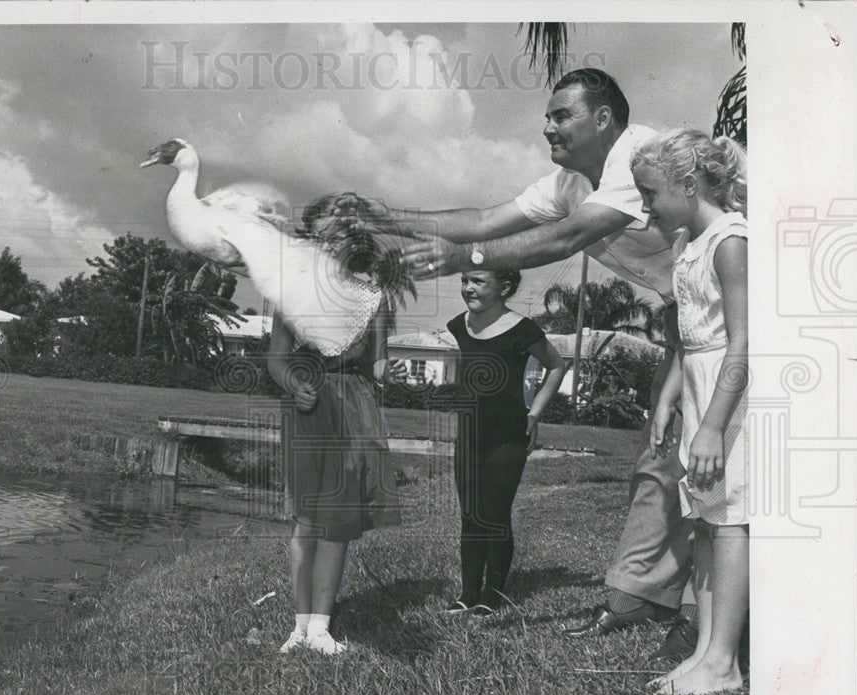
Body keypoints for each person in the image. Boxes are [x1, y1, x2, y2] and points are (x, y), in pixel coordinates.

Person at [337, 68, 698, 661]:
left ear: (603, 119)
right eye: (548, 115)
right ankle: (642, 594)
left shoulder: (641, 159)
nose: (547, 125)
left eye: (562, 115)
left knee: (711, 466)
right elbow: (481, 220)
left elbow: (561, 242)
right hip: (682, 316)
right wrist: (383, 218)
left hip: (736, 304)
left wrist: (468, 256)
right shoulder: (566, 182)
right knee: (660, 457)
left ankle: (698, 613)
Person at [632, 129, 749, 695]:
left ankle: (725, 658)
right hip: (701, 388)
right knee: (704, 518)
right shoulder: (689, 245)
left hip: (729, 399)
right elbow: (689, 339)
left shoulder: (730, 240)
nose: (646, 205)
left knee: (728, 520)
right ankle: (704, 650)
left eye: (650, 193)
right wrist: (667, 396)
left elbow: (741, 343)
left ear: (687, 183)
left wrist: (712, 425)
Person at [267, 194, 409, 655]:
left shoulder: (374, 298)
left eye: (343, 235)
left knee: (338, 521)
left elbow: (381, 363)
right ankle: (299, 625)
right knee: (307, 520)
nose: (333, 245)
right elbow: (277, 359)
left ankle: (322, 627)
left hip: (355, 409)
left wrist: (393, 374)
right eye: (325, 237)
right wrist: (292, 382)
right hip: (309, 407)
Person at [446, 269, 565, 615]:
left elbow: (556, 366)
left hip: (509, 435)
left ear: (504, 288)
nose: (468, 287)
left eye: (478, 282)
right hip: (468, 434)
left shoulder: (523, 329)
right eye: (465, 279)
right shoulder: (459, 325)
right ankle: (468, 593)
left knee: (494, 515)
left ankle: (491, 595)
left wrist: (534, 413)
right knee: (470, 514)